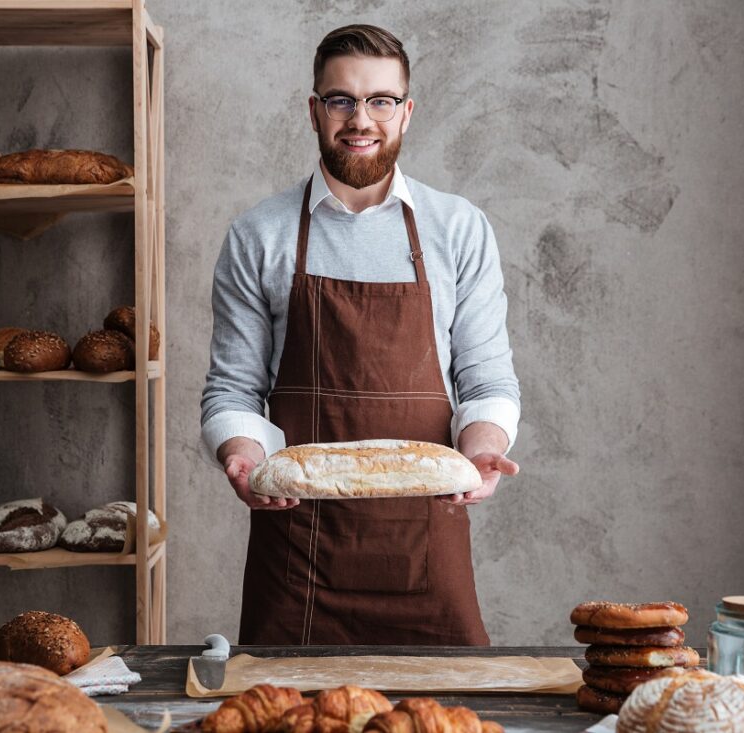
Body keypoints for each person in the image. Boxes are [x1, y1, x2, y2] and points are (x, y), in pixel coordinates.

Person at [201, 24, 520, 645]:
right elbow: (233, 391)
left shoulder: (458, 228)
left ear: (407, 112)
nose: (360, 118)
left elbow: (484, 378)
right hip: (297, 557)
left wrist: (481, 448)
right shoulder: (257, 235)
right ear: (314, 110)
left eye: (380, 100)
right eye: (342, 99)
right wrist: (241, 453)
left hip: (425, 548)